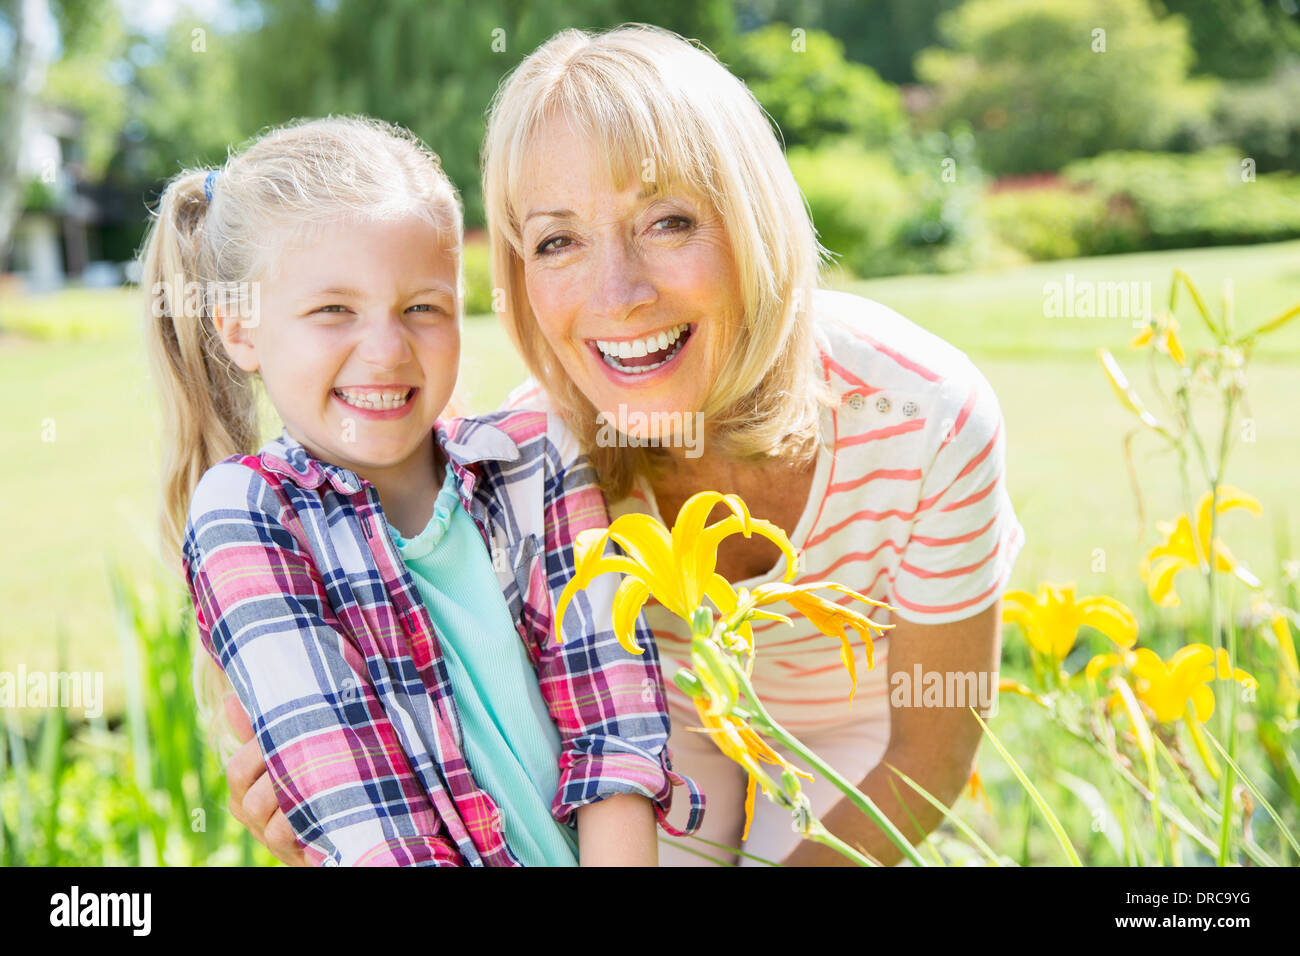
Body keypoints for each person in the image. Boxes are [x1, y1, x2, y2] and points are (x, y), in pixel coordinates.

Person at [231, 24, 1025, 867]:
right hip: (667, 732)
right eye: (558, 242)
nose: (618, 295)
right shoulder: (535, 462)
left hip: (861, 740)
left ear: (754, 224)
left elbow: (930, 755)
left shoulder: (927, 417)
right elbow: (492, 730)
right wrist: (330, 798)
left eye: (668, 221)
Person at [143, 114, 702, 866]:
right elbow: (369, 823)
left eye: (422, 307)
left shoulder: (533, 461)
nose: (385, 351)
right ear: (241, 331)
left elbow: (614, 729)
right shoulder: (248, 517)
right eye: (333, 310)